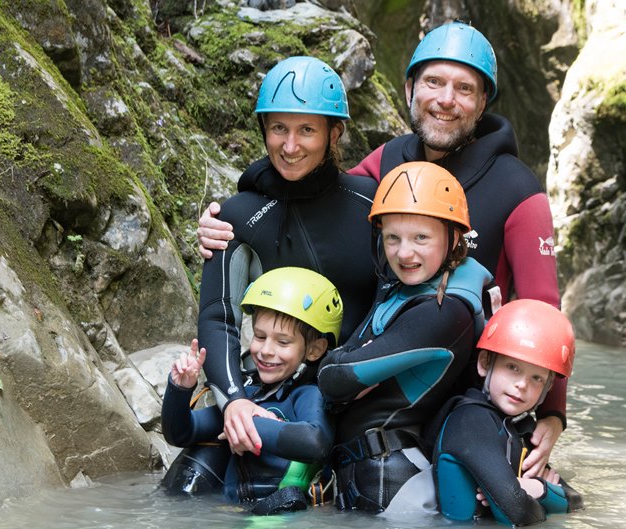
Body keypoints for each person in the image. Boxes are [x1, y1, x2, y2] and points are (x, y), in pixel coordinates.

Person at [196, 22, 566, 478]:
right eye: (433, 82)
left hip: (473, 399)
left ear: (483, 101)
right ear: (409, 88)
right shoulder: (389, 161)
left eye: (464, 88)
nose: (446, 99)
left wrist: (552, 414)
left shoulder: (519, 189)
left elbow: (544, 311)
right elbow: (312, 183)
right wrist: (234, 209)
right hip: (371, 393)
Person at [193, 56, 377, 460]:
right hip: (265, 399)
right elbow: (216, 317)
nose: (290, 146)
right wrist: (234, 401)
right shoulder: (238, 215)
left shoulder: (372, 205)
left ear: (334, 133)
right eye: (279, 128)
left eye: (306, 130)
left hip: (358, 403)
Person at [316, 161, 494, 513]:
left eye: (421, 238)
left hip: (395, 490)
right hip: (364, 480)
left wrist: (347, 363)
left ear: (454, 237)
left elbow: (334, 378)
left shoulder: (446, 312)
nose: (404, 253)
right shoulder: (400, 289)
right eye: (392, 237)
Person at [161, 267, 343, 514]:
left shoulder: (307, 394)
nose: (266, 350)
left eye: (283, 342)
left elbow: (316, 442)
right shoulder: (246, 395)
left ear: (314, 350)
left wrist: (248, 424)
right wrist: (180, 388)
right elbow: (181, 433)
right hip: (230, 512)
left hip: (275, 514)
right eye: (259, 336)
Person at [432, 299, 584, 525]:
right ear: (484, 363)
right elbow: (517, 513)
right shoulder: (470, 421)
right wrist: (541, 493)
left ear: (547, 388)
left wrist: (536, 489)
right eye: (513, 368)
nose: (522, 384)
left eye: (536, 378)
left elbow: (577, 501)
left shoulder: (518, 428)